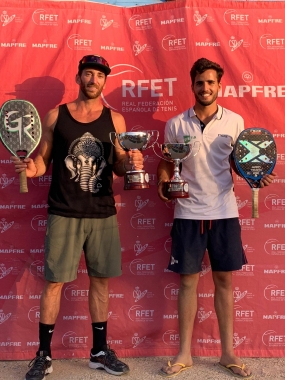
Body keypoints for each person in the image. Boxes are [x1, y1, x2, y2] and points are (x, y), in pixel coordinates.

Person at [11, 54, 144, 380]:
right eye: (88, 73)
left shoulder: (117, 121)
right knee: (54, 282)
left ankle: (99, 351)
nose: (93, 79)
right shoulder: (56, 116)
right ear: (78, 77)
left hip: (102, 212)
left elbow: (118, 166)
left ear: (104, 81)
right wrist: (32, 168)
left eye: (99, 75)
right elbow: (43, 161)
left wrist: (132, 164)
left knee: (100, 281)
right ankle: (43, 355)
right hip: (64, 212)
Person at [157, 57, 276, 379]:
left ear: (218, 86)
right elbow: (168, 163)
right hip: (188, 212)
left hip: (224, 212)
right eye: (200, 82)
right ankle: (184, 354)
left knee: (225, 282)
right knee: (187, 283)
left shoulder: (235, 122)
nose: (205, 87)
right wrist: (163, 184)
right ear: (192, 85)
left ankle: (228, 353)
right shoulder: (176, 124)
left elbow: (240, 163)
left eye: (210, 82)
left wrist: (255, 175)